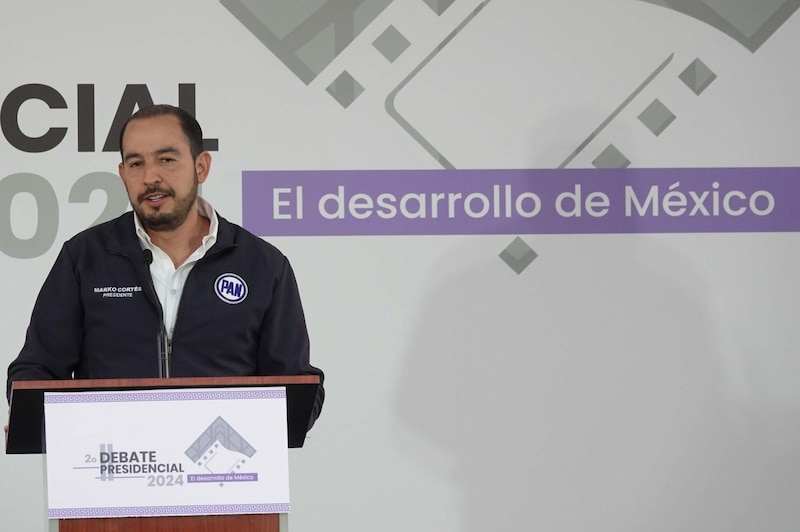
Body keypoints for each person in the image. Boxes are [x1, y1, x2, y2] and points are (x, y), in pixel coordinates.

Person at [6, 104, 323, 428]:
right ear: (122, 174)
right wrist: (34, 418)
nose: (150, 177)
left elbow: (296, 389)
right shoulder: (85, 257)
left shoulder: (262, 264)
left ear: (201, 166)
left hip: (224, 470)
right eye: (136, 164)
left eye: (166, 160)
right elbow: (36, 370)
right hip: (111, 467)